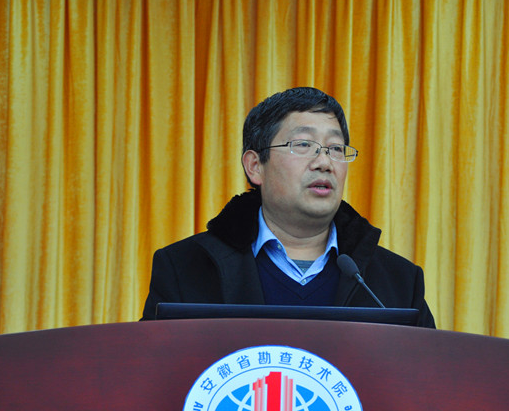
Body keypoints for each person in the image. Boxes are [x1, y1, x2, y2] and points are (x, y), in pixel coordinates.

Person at [141, 87, 435, 328]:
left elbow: (429, 375)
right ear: (255, 166)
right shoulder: (184, 267)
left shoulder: (399, 281)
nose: (324, 162)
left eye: (335, 148)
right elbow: (152, 372)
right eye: (303, 145)